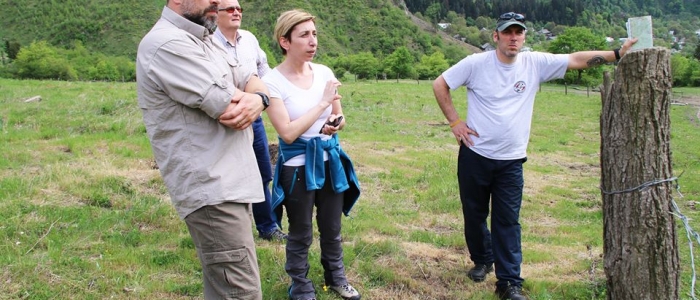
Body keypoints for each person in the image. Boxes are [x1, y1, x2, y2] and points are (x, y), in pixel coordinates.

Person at [432, 12, 638, 300]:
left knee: (507, 221)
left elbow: (576, 59)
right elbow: (440, 83)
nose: (513, 37)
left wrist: (617, 53)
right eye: (507, 32)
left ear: (524, 37)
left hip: (512, 161)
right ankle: (482, 259)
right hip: (475, 155)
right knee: (475, 214)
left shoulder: (534, 63)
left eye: (518, 32)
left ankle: (509, 283)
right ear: (496, 36)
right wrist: (455, 122)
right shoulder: (475, 64)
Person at [136, 0, 272, 299]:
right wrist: (257, 98)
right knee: (241, 292)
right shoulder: (167, 44)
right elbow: (231, 110)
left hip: (229, 182)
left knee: (225, 288)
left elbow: (251, 77)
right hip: (212, 187)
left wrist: (259, 97)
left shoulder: (202, 39)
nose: (218, 1)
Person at [262, 9, 361, 300]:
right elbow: (288, 133)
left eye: (314, 34)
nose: (312, 41)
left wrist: (335, 123)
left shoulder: (325, 72)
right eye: (304, 35)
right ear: (285, 41)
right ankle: (300, 284)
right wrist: (322, 105)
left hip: (330, 161)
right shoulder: (272, 82)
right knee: (301, 231)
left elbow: (339, 116)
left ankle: (336, 278)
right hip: (296, 166)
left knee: (332, 227)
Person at [214, 0, 288, 242]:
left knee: (262, 173)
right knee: (226, 176)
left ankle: (267, 227)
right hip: (223, 119)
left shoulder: (249, 39)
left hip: (253, 117)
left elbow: (264, 70)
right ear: (215, 14)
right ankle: (229, 230)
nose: (236, 13)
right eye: (230, 9)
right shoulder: (208, 43)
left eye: (239, 9)